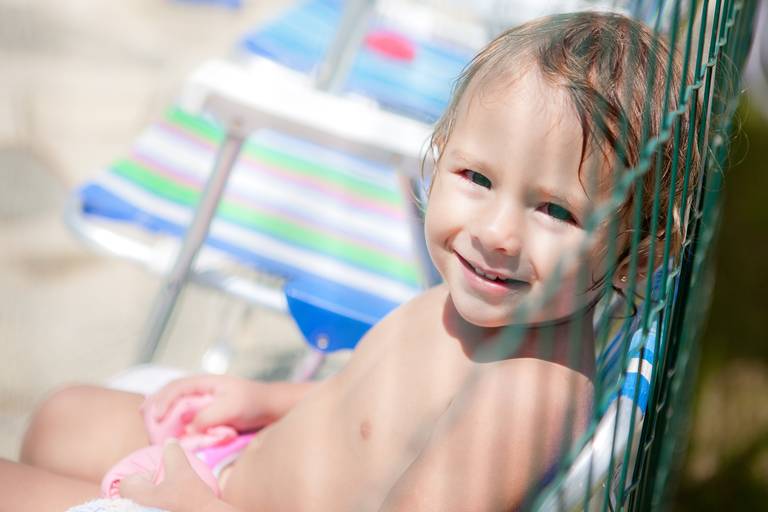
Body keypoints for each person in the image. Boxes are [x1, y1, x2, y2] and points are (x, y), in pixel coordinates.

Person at [0, 10, 697, 512]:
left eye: (554, 211)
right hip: (237, 465)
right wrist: (266, 401)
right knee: (61, 417)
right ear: (440, 152)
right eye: (476, 179)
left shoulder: (527, 396)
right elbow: (367, 410)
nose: (498, 232)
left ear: (637, 252)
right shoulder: (474, 301)